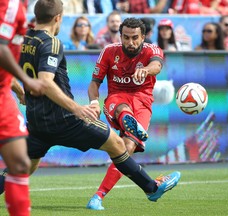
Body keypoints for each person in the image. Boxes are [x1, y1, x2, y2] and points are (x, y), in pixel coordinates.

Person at [0, 0, 181, 208]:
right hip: (65, 120)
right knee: (117, 144)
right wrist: (78, 108)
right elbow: (45, 83)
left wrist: (19, 90)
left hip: (36, 120)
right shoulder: (51, 43)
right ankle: (152, 188)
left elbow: (5, 63)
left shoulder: (24, 39)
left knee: (23, 167)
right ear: (58, 18)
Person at [87, 17, 168, 210]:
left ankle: (98, 196)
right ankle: (128, 122)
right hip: (116, 98)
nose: (130, 42)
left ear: (143, 37)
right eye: (126, 37)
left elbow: (156, 65)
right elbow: (94, 83)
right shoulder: (109, 51)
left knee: (126, 147)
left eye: (134, 38)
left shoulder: (153, 50)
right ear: (120, 35)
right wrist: (93, 103)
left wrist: (146, 70)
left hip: (142, 100)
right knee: (122, 108)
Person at [0, 0, 45, 215]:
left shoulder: (20, 6)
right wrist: (27, 82)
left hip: (2, 94)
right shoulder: (8, 5)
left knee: (20, 163)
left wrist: (17, 89)